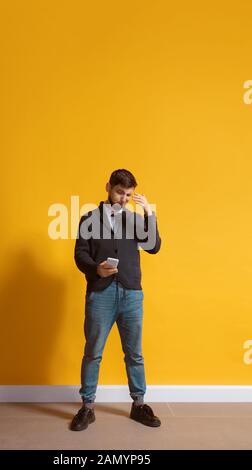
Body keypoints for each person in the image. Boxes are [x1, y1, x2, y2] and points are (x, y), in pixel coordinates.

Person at [70, 169, 162, 431]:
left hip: (132, 293)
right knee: (93, 352)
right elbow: (80, 254)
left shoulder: (135, 219)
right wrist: (95, 269)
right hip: (101, 293)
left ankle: (139, 405)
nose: (123, 198)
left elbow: (154, 246)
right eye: (119, 192)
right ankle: (87, 407)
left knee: (135, 353)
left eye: (129, 195)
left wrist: (149, 214)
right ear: (108, 187)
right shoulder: (89, 218)